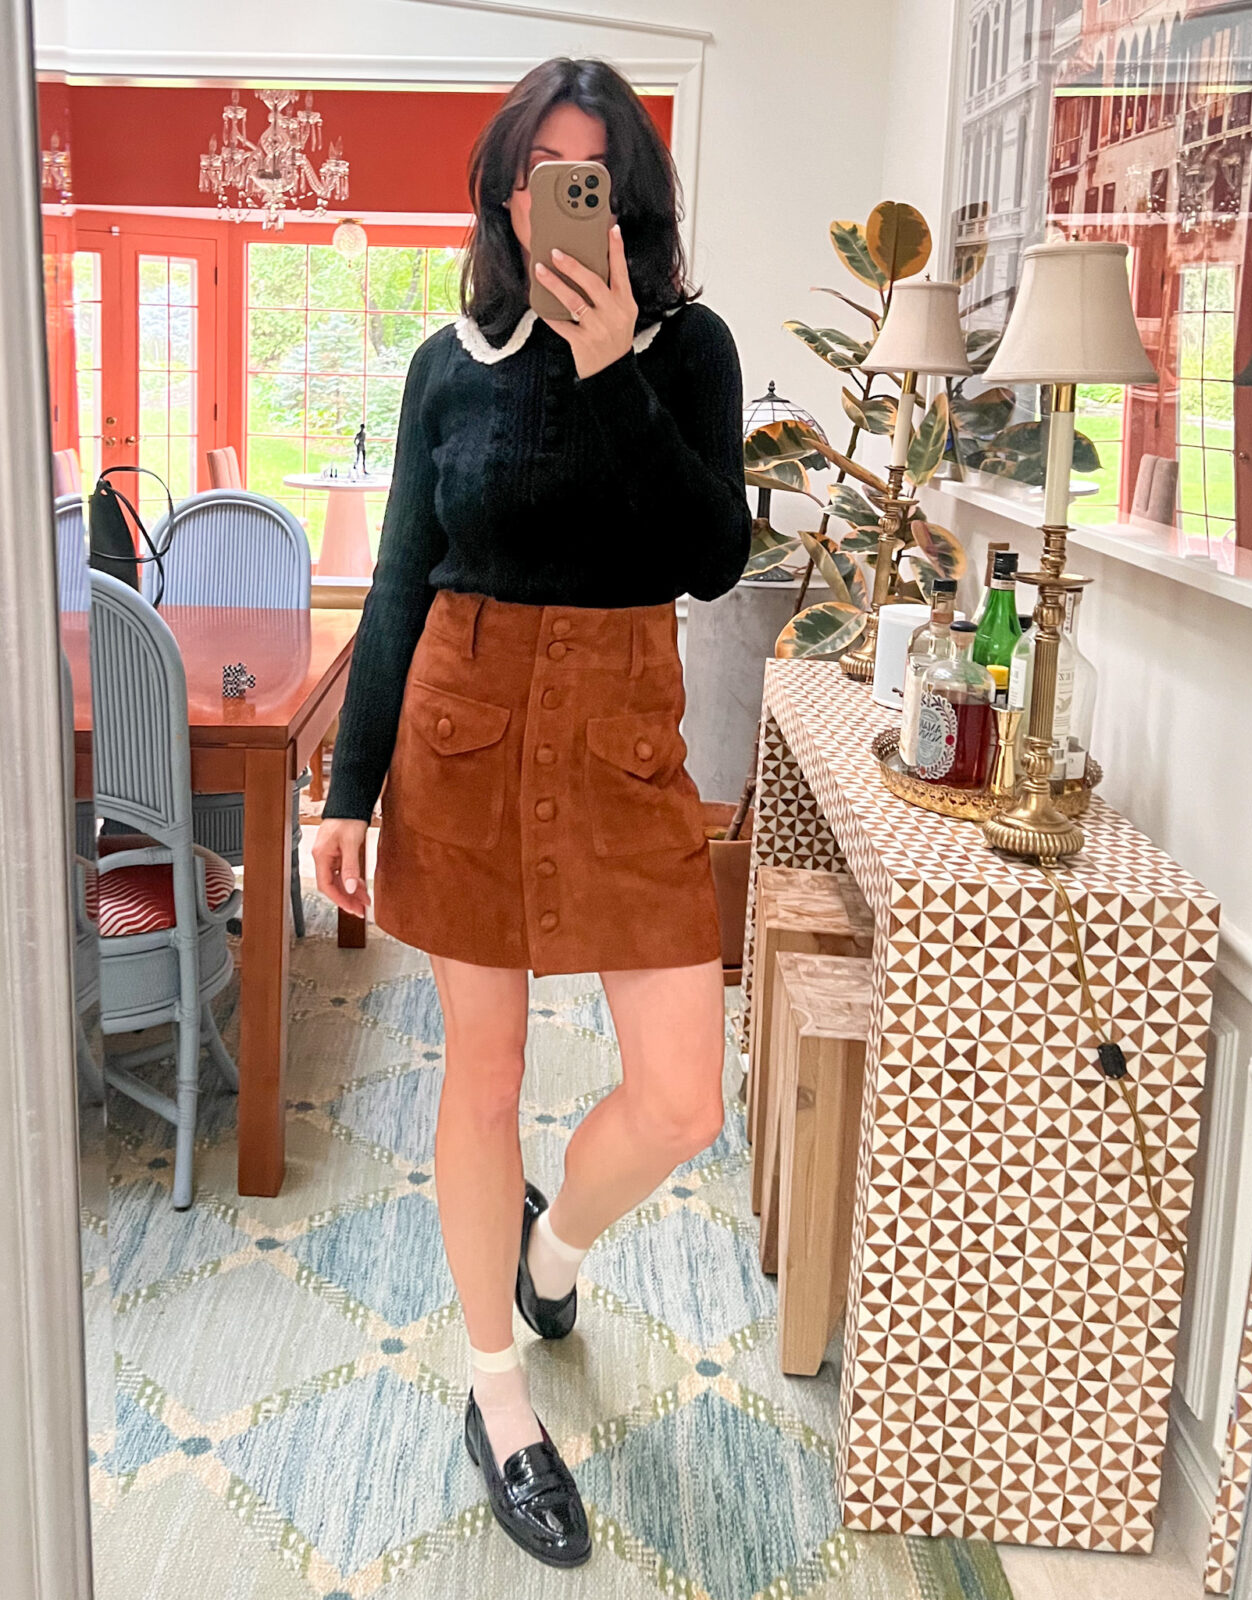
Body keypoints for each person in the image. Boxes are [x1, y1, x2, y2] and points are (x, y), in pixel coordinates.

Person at [312, 54, 751, 1570]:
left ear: (630, 203)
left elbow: (709, 557)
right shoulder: (446, 363)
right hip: (466, 726)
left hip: (626, 743)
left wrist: (620, 361)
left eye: (601, 179)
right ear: (508, 192)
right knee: (482, 1079)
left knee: (686, 1096)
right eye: (546, 174)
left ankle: (553, 1250)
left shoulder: (688, 351)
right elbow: (397, 583)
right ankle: (496, 1391)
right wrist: (345, 785)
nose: (572, 200)